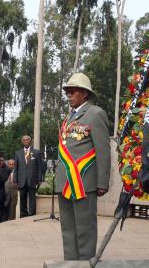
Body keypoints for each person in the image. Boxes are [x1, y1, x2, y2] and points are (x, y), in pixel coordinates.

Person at [55, 73, 110, 260]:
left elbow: (103, 150)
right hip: (65, 183)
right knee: (68, 228)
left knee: (84, 228)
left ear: (84, 94)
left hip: (83, 182)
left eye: (73, 91)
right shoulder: (69, 118)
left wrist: (102, 182)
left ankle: (85, 263)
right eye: (67, 92)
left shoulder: (95, 114)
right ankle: (70, 263)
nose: (69, 95)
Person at [14, 135, 43, 217]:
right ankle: (23, 215)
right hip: (21, 180)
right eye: (24, 140)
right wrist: (15, 180)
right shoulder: (18, 153)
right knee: (22, 199)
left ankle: (32, 215)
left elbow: (40, 167)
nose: (26, 141)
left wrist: (39, 178)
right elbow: (16, 168)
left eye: (27, 140)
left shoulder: (36, 152)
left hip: (32, 180)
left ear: (30, 141)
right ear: (22, 142)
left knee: (32, 199)